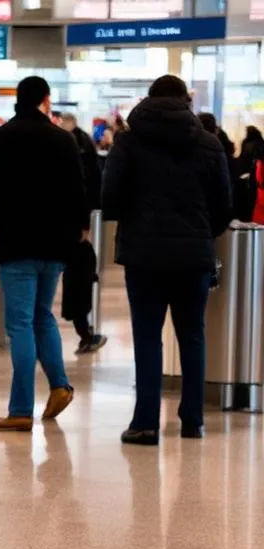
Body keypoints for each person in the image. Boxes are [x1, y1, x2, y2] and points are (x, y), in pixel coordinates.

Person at [102, 75, 231, 445]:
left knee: (147, 337)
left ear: (149, 99)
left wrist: (136, 217)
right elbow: (223, 206)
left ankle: (145, 423)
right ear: (185, 100)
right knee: (192, 334)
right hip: (193, 255)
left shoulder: (129, 142)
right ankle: (192, 420)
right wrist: (204, 229)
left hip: (143, 256)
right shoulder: (209, 144)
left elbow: (110, 199)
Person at [0, 76, 88, 432]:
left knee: (20, 324)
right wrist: (78, 231)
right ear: (45, 99)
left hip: (17, 243)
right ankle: (59, 385)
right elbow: (77, 189)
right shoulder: (63, 139)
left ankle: (21, 409)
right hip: (55, 245)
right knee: (43, 316)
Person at [59, 111, 106, 354]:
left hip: (46, 228)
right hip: (69, 228)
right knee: (79, 275)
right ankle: (84, 332)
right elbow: (85, 185)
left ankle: (84, 332)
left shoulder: (68, 145)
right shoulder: (79, 145)